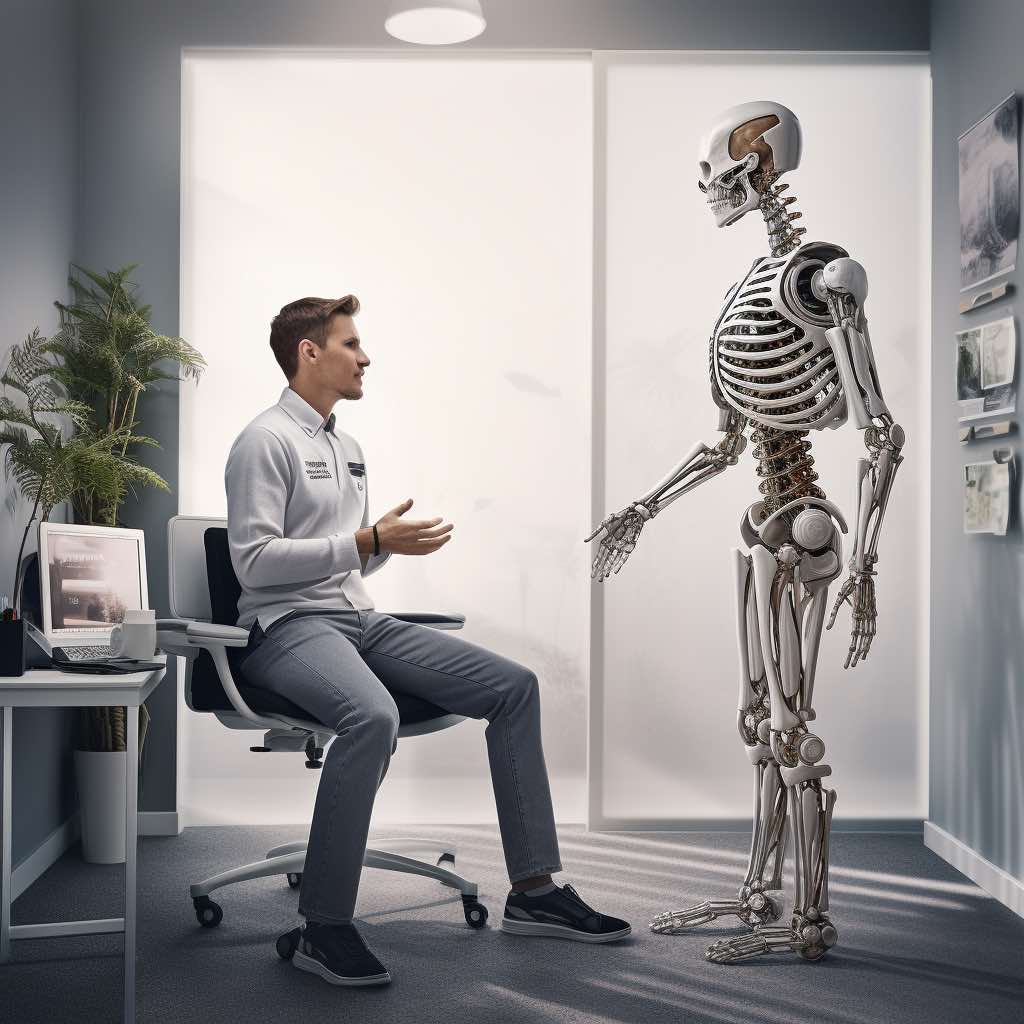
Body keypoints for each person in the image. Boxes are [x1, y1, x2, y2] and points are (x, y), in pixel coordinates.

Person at [225, 295, 630, 987]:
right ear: (309, 354)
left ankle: (534, 892)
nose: (365, 356)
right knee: (372, 714)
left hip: (356, 618)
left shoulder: (345, 447)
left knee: (513, 687)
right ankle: (323, 927)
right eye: (351, 344)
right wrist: (366, 540)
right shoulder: (264, 441)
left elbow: (350, 557)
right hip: (284, 626)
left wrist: (381, 546)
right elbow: (254, 562)